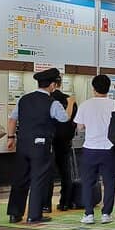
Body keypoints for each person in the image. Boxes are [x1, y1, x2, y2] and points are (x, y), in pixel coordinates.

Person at [6, 67, 70, 224]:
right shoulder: (53, 103)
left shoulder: (23, 99)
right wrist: (70, 103)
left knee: (20, 178)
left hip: (23, 144)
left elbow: (13, 119)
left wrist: (11, 137)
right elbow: (64, 119)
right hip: (41, 146)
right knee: (38, 179)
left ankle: (15, 213)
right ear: (53, 85)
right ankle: (34, 215)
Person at [74, 75, 115, 224]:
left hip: (90, 148)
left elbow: (79, 127)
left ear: (93, 88)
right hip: (109, 148)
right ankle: (106, 214)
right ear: (109, 88)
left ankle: (89, 214)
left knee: (88, 182)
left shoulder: (85, 105)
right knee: (109, 181)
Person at [45, 84, 77, 212]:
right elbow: (74, 122)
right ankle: (65, 202)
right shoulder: (70, 100)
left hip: (49, 142)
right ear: (60, 84)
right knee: (66, 173)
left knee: (48, 173)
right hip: (65, 142)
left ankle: (46, 205)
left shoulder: (47, 100)